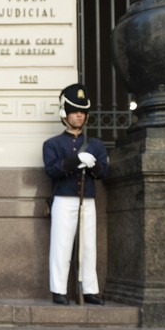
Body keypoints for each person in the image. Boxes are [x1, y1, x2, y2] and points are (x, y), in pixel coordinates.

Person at [43, 83, 109, 306]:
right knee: (61, 245)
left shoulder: (96, 145)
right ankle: (58, 289)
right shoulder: (52, 144)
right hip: (63, 199)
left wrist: (92, 164)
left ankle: (90, 290)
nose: (79, 115)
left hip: (87, 200)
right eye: (74, 111)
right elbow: (52, 169)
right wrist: (75, 161)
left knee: (89, 246)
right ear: (65, 114)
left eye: (82, 111)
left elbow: (103, 173)